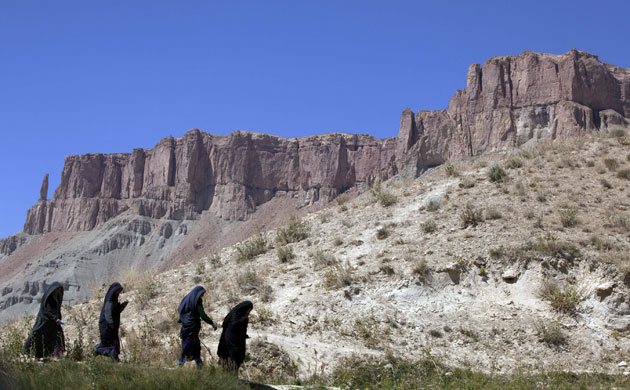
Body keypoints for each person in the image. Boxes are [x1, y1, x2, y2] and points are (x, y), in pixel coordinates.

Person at [177, 286, 217, 366]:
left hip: (186, 327)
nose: (202, 296)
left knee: (190, 344)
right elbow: (202, 314)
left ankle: (197, 363)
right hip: (192, 327)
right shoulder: (197, 301)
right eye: (202, 294)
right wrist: (211, 323)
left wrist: (183, 320)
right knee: (192, 344)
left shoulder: (187, 299)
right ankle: (183, 363)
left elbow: (181, 311)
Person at [24, 282, 65, 359]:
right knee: (38, 336)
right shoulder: (49, 298)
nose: (58, 292)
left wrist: (57, 319)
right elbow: (47, 311)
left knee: (57, 337)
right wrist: (55, 319)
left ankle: (56, 355)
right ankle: (29, 351)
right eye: (57, 290)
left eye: (59, 290)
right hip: (44, 322)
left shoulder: (55, 298)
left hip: (53, 324)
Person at [94, 282, 128, 361]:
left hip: (112, 326)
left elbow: (116, 311)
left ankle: (115, 358)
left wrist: (122, 306)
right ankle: (97, 350)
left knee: (114, 342)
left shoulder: (114, 301)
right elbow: (107, 312)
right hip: (106, 326)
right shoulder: (109, 301)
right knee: (106, 343)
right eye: (118, 291)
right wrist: (110, 322)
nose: (118, 292)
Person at [217, 300, 253, 373]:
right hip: (230, 342)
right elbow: (234, 325)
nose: (249, 312)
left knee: (235, 359)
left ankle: (231, 378)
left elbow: (240, 329)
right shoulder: (236, 314)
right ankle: (230, 378)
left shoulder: (240, 315)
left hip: (234, 341)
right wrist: (244, 319)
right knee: (232, 358)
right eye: (249, 310)